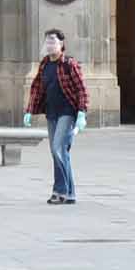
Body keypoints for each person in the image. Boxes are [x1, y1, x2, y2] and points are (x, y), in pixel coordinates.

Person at [23, 28, 88, 205]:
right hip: (52, 113)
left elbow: (81, 89)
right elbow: (36, 88)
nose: (50, 45)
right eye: (47, 42)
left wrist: (82, 112)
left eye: (53, 42)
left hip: (67, 112)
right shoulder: (44, 64)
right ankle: (69, 193)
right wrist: (29, 110)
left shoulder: (69, 64)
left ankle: (59, 190)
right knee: (59, 153)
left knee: (58, 149)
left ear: (61, 45)